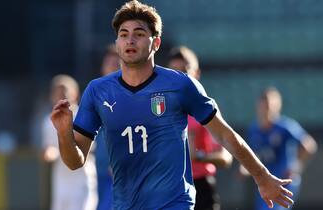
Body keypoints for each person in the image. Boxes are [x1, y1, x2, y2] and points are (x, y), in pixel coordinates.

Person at [50, 1, 294, 209]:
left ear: (155, 43)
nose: (130, 40)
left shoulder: (180, 85)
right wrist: (63, 133)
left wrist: (262, 176)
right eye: (123, 34)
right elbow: (75, 161)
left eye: (139, 33)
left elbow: (225, 135)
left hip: (175, 203)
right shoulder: (97, 90)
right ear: (117, 43)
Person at [168, 46, 233, 210]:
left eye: (185, 70)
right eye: (174, 71)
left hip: (201, 187)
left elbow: (226, 157)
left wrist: (198, 155)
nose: (180, 77)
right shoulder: (160, 111)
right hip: (169, 188)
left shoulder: (205, 111)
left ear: (197, 73)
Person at [240, 86, 317, 210]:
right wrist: (245, 168)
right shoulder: (254, 129)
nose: (267, 109)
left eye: (270, 105)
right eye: (264, 104)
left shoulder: (285, 126)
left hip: (284, 181)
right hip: (265, 180)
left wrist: (296, 166)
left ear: (278, 106)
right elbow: (254, 153)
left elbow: (309, 145)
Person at [41, 74, 97, 210]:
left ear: (75, 93)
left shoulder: (84, 116)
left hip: (82, 180)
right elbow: (49, 148)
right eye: (57, 92)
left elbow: (90, 147)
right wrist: (50, 153)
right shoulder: (48, 121)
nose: (61, 95)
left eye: (65, 91)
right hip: (61, 183)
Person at [94, 44, 120, 210]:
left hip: (117, 173)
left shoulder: (129, 97)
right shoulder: (95, 95)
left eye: (115, 63)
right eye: (108, 63)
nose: (111, 66)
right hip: (95, 172)